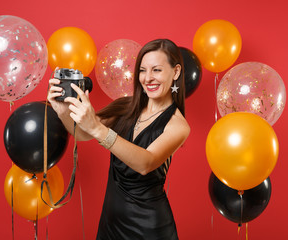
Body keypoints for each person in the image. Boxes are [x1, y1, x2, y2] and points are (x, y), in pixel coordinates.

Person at [47, 39, 190, 239]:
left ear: (175, 72)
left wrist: (97, 128)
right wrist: (62, 111)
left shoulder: (178, 125)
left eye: (156, 70)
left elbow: (145, 163)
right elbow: (83, 133)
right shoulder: (126, 106)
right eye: (142, 70)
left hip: (149, 228)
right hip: (111, 223)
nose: (148, 78)